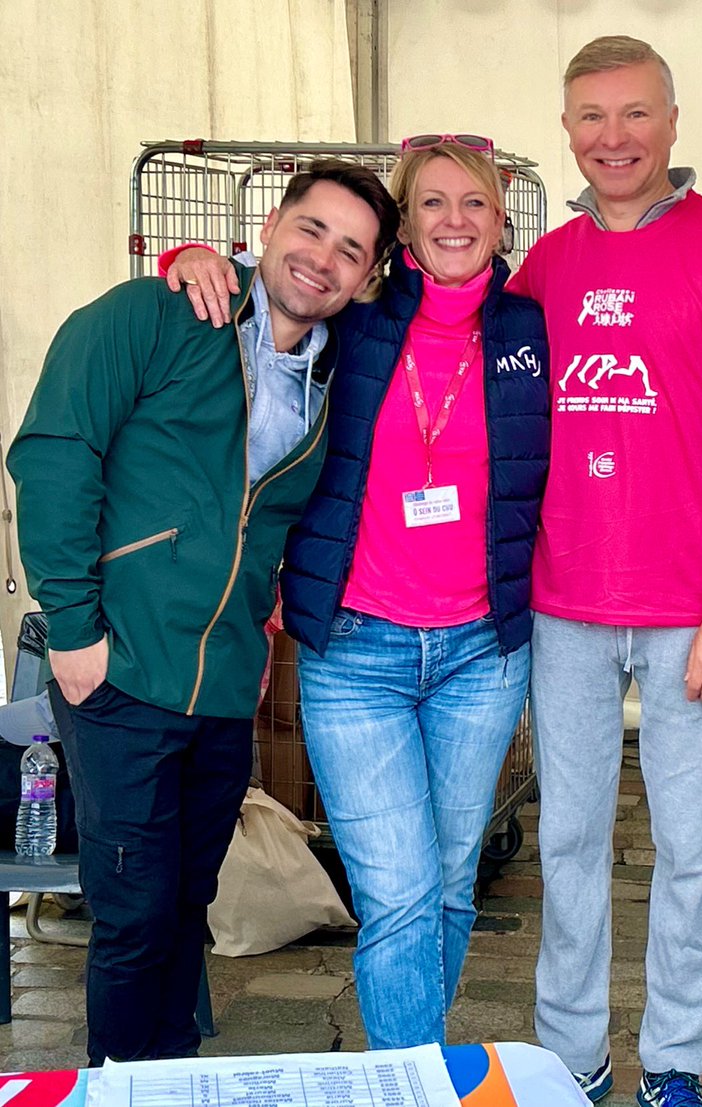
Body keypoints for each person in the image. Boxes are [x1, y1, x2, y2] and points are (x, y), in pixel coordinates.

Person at [6, 159, 398, 1066]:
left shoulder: (331, 384)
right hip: (120, 666)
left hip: (222, 685)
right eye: (312, 230)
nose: (323, 259)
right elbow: (56, 456)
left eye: (352, 250)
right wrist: (72, 628)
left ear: (367, 275)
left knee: (189, 900)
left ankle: (169, 1076)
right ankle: (117, 1082)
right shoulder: (152, 317)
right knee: (134, 908)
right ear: (269, 226)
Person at [167, 137, 551, 1050]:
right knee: (401, 888)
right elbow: (275, 300)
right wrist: (202, 261)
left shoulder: (534, 330)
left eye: (475, 205)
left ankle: (410, 1055)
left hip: (482, 654)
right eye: (432, 204)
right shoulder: (360, 321)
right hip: (356, 653)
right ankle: (410, 1077)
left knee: (450, 881)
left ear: (502, 223)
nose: (455, 220)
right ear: (403, 231)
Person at [507, 35, 702, 1107]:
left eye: (634, 114)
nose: (613, 137)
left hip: (691, 616)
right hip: (565, 608)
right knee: (572, 844)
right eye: (591, 116)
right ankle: (571, 1062)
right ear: (568, 129)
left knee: (687, 854)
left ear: (673, 123)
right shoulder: (545, 266)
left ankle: (671, 1066)